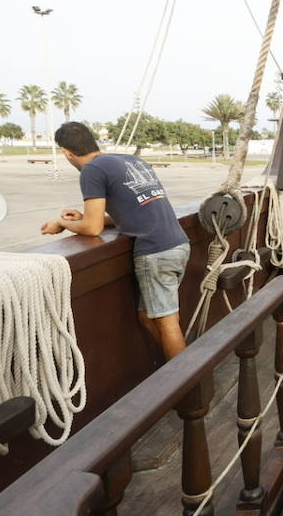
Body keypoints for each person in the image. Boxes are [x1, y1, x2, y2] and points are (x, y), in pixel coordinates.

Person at [40, 121, 190, 359]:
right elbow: (122, 213)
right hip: (177, 243)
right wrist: (84, 216)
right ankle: (173, 371)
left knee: (166, 322)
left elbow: (92, 228)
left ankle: (189, 389)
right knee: (146, 316)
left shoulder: (91, 170)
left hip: (155, 252)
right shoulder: (130, 160)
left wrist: (61, 223)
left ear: (66, 153)